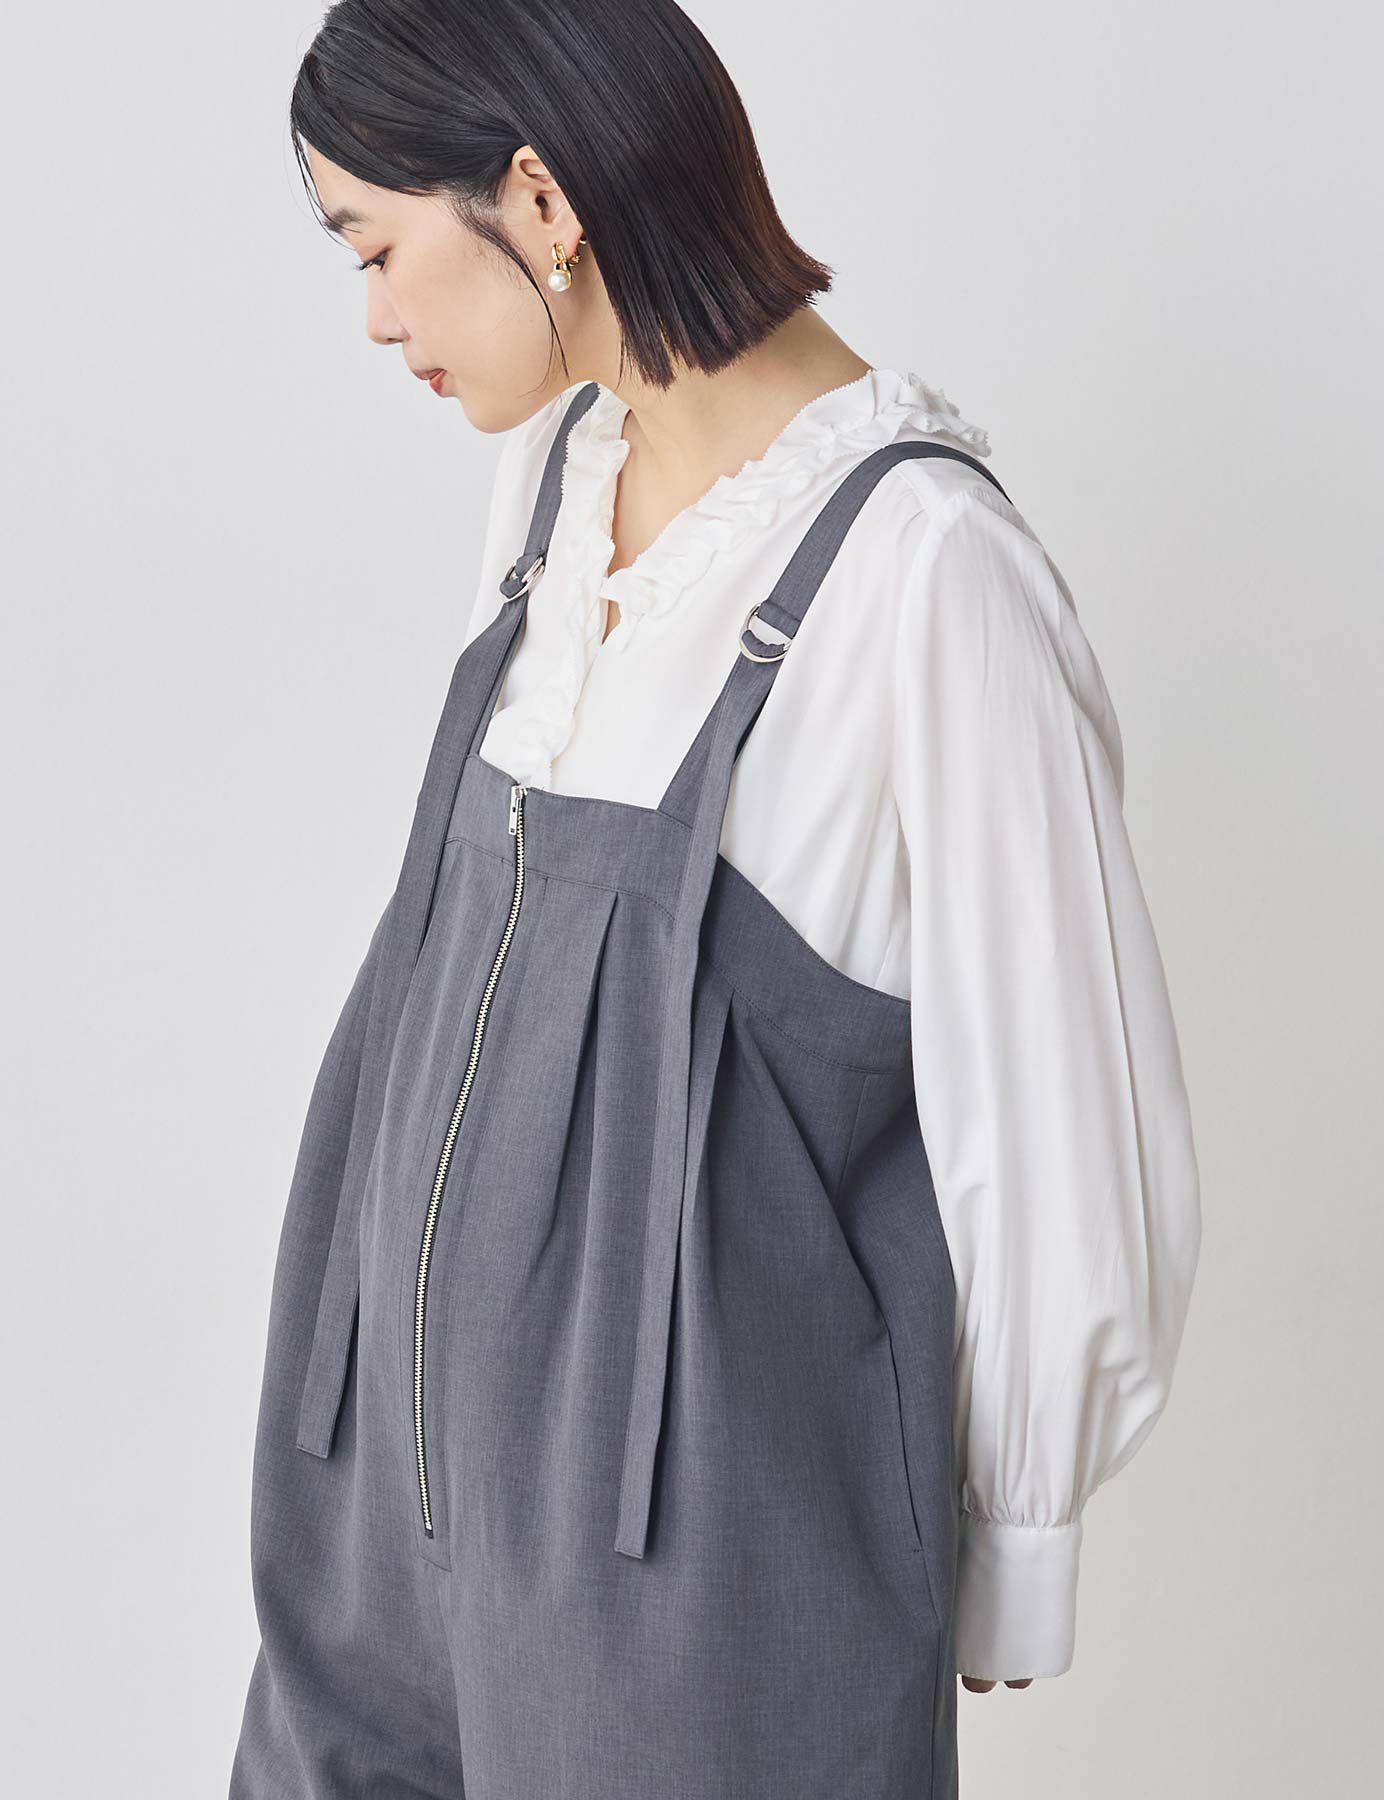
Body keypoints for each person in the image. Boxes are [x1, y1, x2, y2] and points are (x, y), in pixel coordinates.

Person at [230, 2, 1202, 1795]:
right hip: (380, 1528)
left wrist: (1017, 1533)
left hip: (691, 1588)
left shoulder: (927, 572)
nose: (372, 315)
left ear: (540, 199)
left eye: (374, 246)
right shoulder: (554, 482)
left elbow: (1063, 1110)